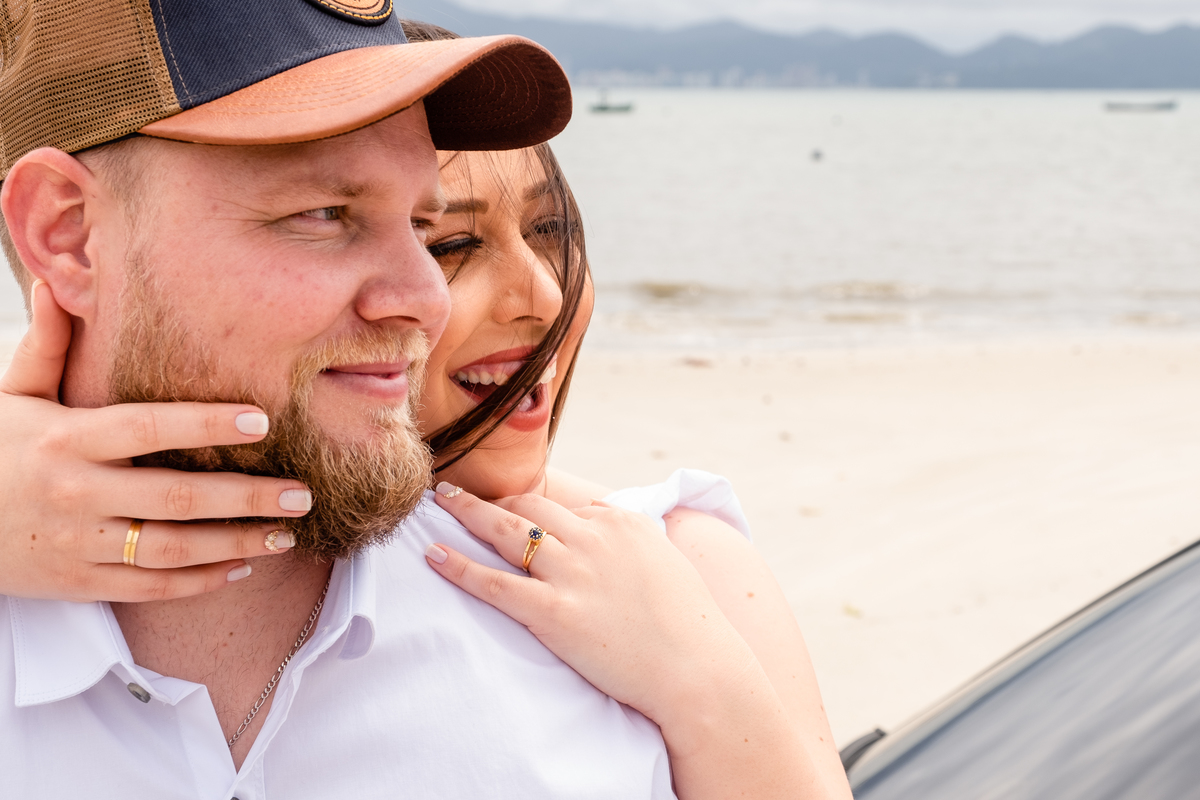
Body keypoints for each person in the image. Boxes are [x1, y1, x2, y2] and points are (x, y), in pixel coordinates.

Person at [0, 10, 849, 800]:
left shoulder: (609, 617)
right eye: (325, 213)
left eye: (418, 224)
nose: (424, 299)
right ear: (66, 234)